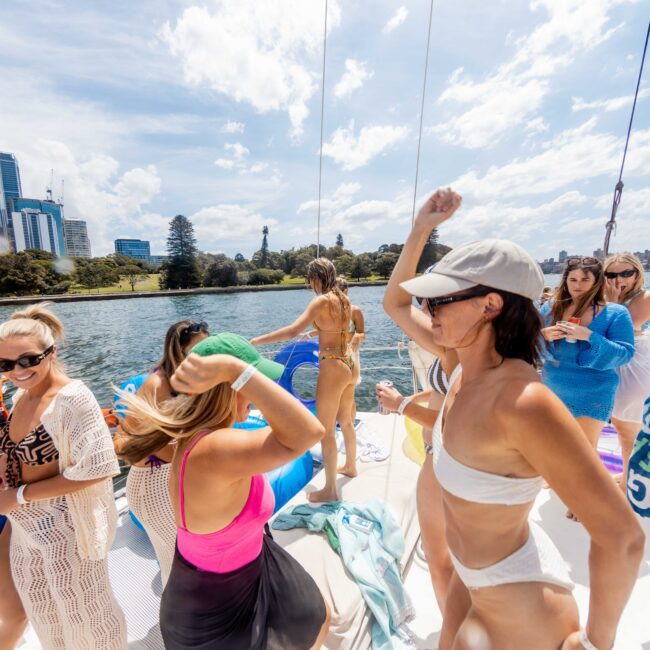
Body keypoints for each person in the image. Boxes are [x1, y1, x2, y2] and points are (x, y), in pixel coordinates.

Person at [395, 188, 644, 650]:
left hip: (521, 610)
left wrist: (595, 643)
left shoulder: (523, 401)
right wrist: (421, 229)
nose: (427, 312)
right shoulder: (459, 364)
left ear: (490, 306)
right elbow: (395, 302)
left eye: (439, 302)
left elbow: (623, 537)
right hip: (469, 584)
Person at [117, 333, 329, 649]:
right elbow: (309, 432)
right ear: (230, 388)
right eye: (251, 382)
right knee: (313, 620)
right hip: (221, 605)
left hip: (234, 572)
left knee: (316, 615)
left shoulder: (201, 436)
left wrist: (238, 375)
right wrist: (235, 370)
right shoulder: (215, 450)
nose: (255, 393)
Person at [0, 303, 126, 649]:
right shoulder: (21, 395)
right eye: (5, 364)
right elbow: (14, 451)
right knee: (46, 618)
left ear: (51, 352)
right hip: (24, 533)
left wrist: (19, 496)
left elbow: (98, 469)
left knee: (90, 618)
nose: (17, 370)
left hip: (66, 533)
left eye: (28, 359)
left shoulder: (73, 398)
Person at [381, 269, 459, 614]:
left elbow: (454, 422)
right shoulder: (455, 349)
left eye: (433, 301)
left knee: (448, 560)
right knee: (442, 557)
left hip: (451, 459)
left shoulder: (464, 353)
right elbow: (445, 389)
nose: (425, 308)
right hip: (438, 455)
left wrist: (401, 405)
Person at [251, 258, 357, 501]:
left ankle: (330, 490)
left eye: (310, 280)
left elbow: (291, 331)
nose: (310, 285)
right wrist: (317, 331)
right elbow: (336, 329)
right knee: (346, 421)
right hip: (349, 364)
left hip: (331, 365)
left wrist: (257, 341)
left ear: (317, 278)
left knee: (326, 431)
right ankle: (350, 465)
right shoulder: (344, 299)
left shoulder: (320, 301)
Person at [118, 320, 209, 587]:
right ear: (178, 349)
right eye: (198, 348)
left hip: (172, 477)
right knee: (177, 558)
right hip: (153, 483)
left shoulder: (190, 379)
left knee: (183, 556)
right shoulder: (159, 384)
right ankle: (179, 620)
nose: (204, 354)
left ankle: (182, 613)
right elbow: (136, 443)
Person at [540, 257, 635, 452]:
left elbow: (625, 353)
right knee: (554, 445)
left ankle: (577, 483)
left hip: (593, 393)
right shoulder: (551, 308)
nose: (578, 285)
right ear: (565, 280)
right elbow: (526, 341)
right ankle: (559, 482)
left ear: (596, 281)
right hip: (553, 387)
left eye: (585, 280)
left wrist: (590, 336)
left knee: (585, 450)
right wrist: (544, 335)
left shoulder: (616, 313)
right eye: (573, 279)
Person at [604, 253, 650, 487]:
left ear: (637, 274)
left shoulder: (645, 298)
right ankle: (629, 473)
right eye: (611, 274)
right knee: (623, 426)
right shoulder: (606, 298)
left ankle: (627, 486)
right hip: (612, 368)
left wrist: (611, 303)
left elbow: (619, 329)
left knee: (628, 428)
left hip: (635, 369)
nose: (619, 279)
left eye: (626, 273)